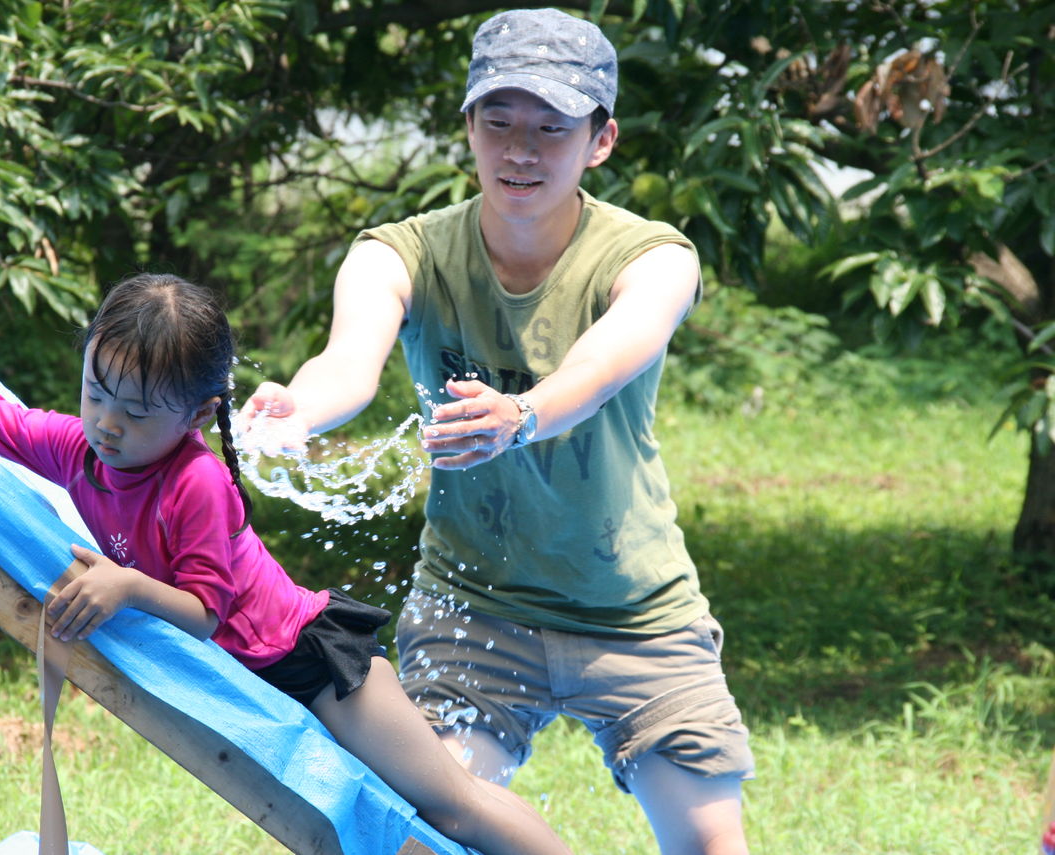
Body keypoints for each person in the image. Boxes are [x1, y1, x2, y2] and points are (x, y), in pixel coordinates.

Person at [239, 8, 754, 855]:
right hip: (472, 607)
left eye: (552, 128)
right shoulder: (399, 253)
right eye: (499, 122)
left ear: (601, 140)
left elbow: (600, 368)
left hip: (635, 609)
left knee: (709, 844)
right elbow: (348, 361)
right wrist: (297, 409)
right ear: (468, 127)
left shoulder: (655, 258)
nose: (520, 150)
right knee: (417, 831)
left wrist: (520, 415)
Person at [0, 272, 575, 855]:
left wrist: (124, 584)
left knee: (450, 804)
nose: (107, 423)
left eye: (136, 410)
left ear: (196, 415)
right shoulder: (78, 447)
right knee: (428, 807)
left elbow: (205, 610)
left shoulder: (196, 481)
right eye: (96, 392)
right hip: (260, 667)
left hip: (314, 664)